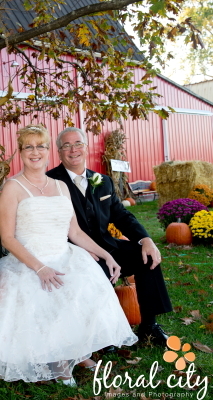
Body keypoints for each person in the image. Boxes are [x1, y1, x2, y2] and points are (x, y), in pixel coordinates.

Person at [0, 124, 138, 385]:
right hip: (29, 261)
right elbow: (8, 239)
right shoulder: (13, 187)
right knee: (49, 292)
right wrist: (40, 268)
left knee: (86, 284)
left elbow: (74, 232)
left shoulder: (61, 186)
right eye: (28, 146)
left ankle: (76, 351)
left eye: (40, 146)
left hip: (64, 253)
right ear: (20, 151)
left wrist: (106, 255)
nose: (35, 152)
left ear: (48, 151)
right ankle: (60, 362)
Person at [46, 127, 173, 346]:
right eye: (66, 145)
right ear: (58, 152)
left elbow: (121, 215)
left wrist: (146, 240)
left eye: (77, 144)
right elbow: (49, 225)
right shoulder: (50, 182)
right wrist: (79, 249)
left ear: (86, 148)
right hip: (74, 251)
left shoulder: (101, 181)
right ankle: (101, 336)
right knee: (98, 272)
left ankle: (149, 327)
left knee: (148, 258)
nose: (73, 150)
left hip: (107, 245)